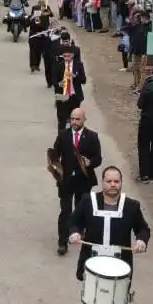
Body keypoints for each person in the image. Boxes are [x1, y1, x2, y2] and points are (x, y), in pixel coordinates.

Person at [68, 166, 151, 304]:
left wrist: (141, 240)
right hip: (92, 265)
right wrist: (75, 233)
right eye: (109, 181)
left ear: (121, 183)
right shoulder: (88, 201)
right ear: (102, 182)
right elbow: (74, 221)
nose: (113, 185)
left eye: (116, 181)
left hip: (119, 269)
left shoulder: (131, 206)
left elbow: (143, 229)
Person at [53, 108, 102, 256]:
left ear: (84, 120)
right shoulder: (63, 136)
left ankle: (79, 231)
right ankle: (62, 241)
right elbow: (54, 155)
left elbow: (98, 158)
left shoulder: (92, 137)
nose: (74, 122)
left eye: (77, 119)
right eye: (72, 119)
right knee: (65, 210)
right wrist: (55, 169)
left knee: (81, 209)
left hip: (83, 180)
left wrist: (90, 163)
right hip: (66, 181)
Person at [53, 47, 86, 134]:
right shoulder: (58, 65)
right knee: (61, 120)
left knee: (75, 122)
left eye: (69, 56)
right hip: (62, 96)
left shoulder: (78, 65)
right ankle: (61, 141)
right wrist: (59, 84)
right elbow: (53, 80)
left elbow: (84, 80)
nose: (67, 58)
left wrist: (75, 77)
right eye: (64, 56)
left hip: (74, 97)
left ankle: (73, 140)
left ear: (73, 55)